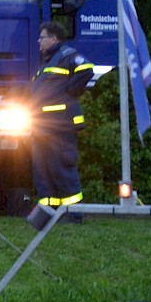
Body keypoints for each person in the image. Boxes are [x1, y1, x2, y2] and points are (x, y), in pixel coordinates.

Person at [27, 19, 94, 229]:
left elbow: (86, 68)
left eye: (42, 37)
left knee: (62, 168)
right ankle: (48, 214)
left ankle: (74, 214)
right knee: (42, 170)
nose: (39, 41)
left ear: (54, 38)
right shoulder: (48, 62)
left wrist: (71, 90)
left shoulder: (66, 55)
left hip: (60, 126)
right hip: (42, 127)